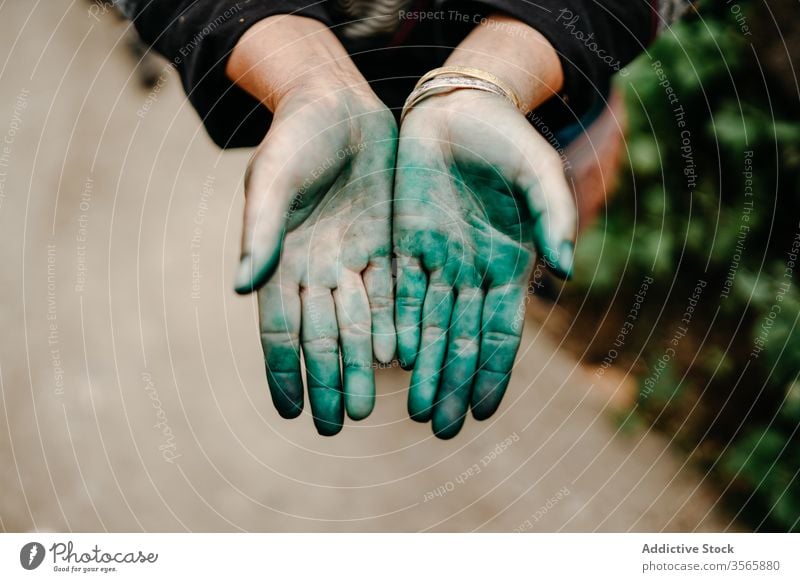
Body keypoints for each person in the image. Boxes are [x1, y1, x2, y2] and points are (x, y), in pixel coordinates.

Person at [118, 0, 694, 438]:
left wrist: (496, 70)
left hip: (541, 70)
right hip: (323, 52)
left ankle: (430, 305)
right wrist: (304, 75)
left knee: (569, 182)